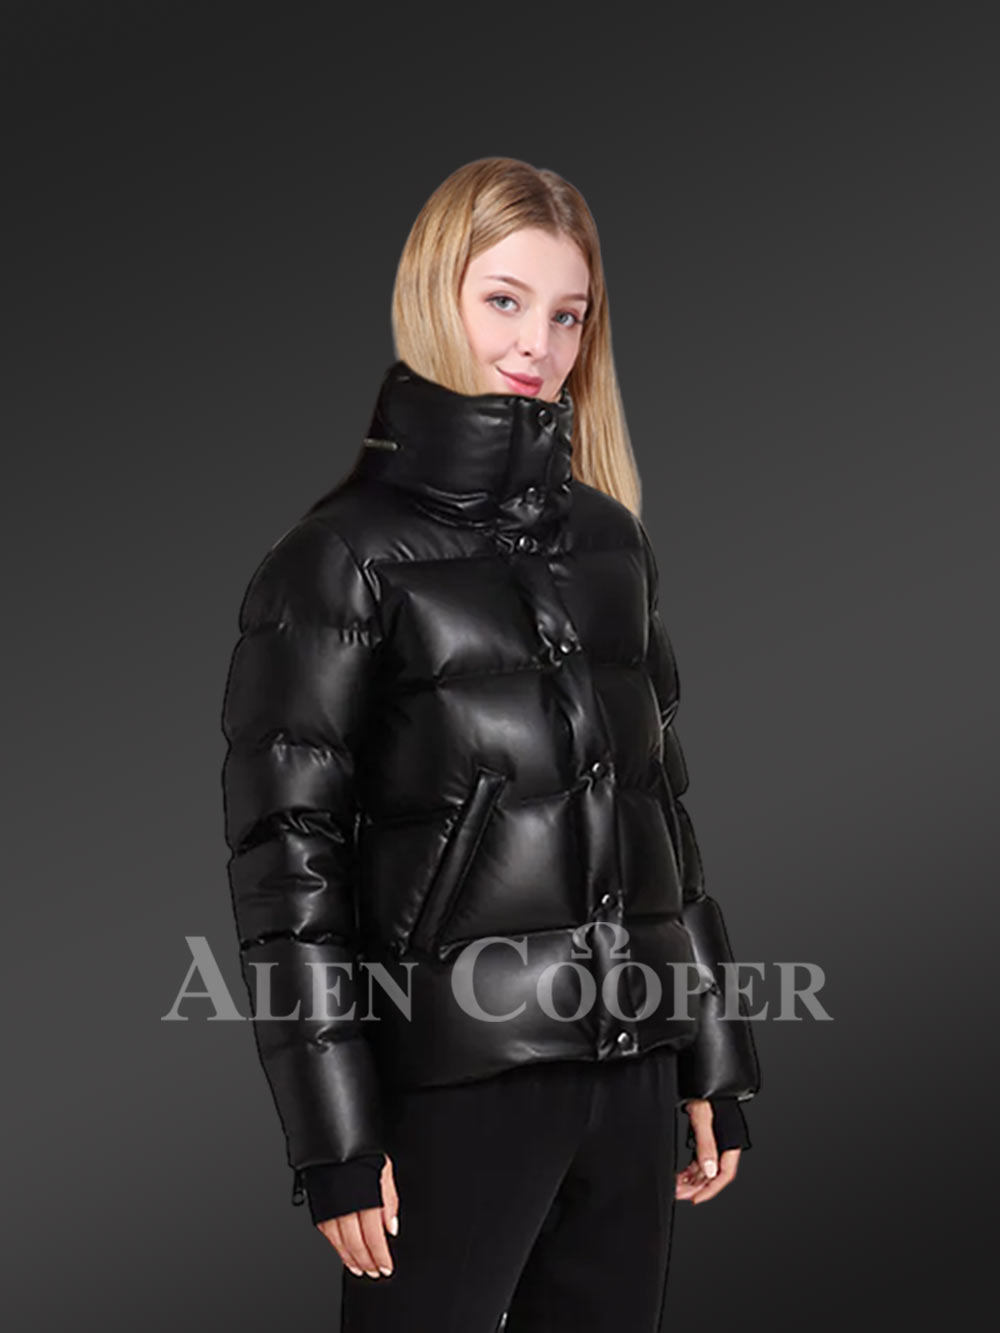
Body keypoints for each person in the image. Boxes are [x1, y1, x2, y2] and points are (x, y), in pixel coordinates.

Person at [220, 156, 761, 1332]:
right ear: (435, 298)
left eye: (568, 314)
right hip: (455, 1081)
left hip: (630, 1071)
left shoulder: (610, 545)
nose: (537, 343)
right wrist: (336, 1139)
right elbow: (287, 862)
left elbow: (663, 817)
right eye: (504, 300)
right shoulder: (339, 560)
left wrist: (711, 1054)